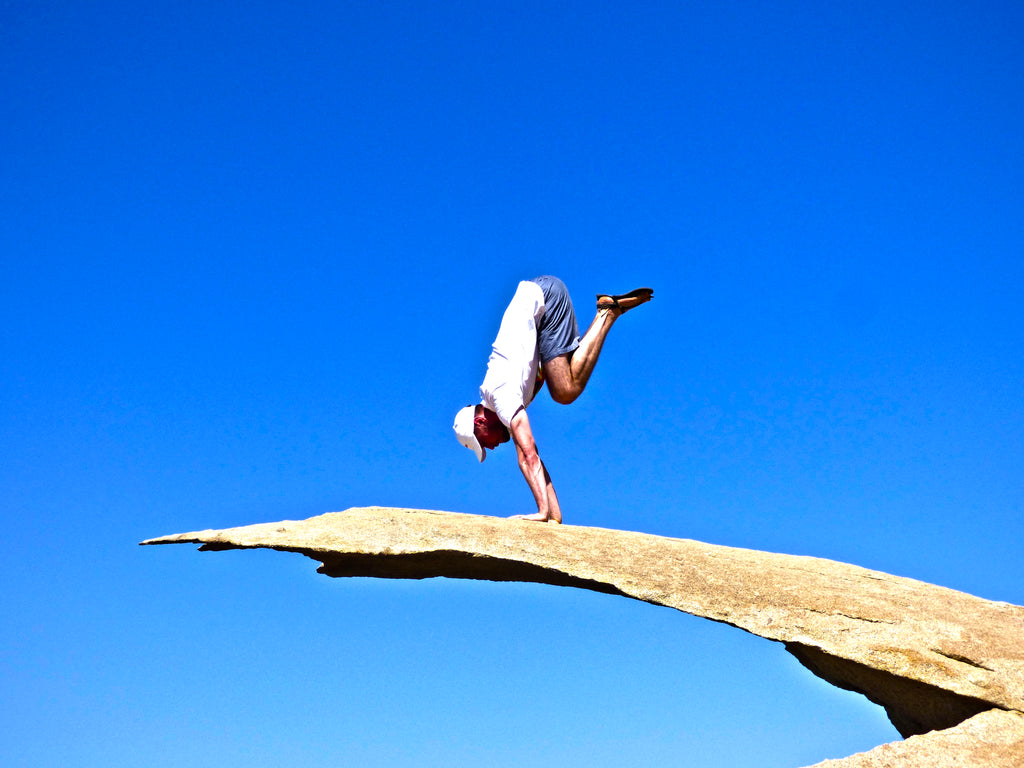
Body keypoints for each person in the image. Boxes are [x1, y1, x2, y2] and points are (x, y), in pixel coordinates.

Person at [453, 276, 652, 523]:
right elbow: (527, 457)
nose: (491, 448)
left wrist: (541, 512)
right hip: (541, 302)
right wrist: (555, 517)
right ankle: (607, 311)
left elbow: (529, 455)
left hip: (543, 299)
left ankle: (607, 312)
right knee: (562, 389)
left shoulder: (500, 395)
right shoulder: (503, 404)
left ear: (480, 422)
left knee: (564, 391)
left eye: (483, 443)